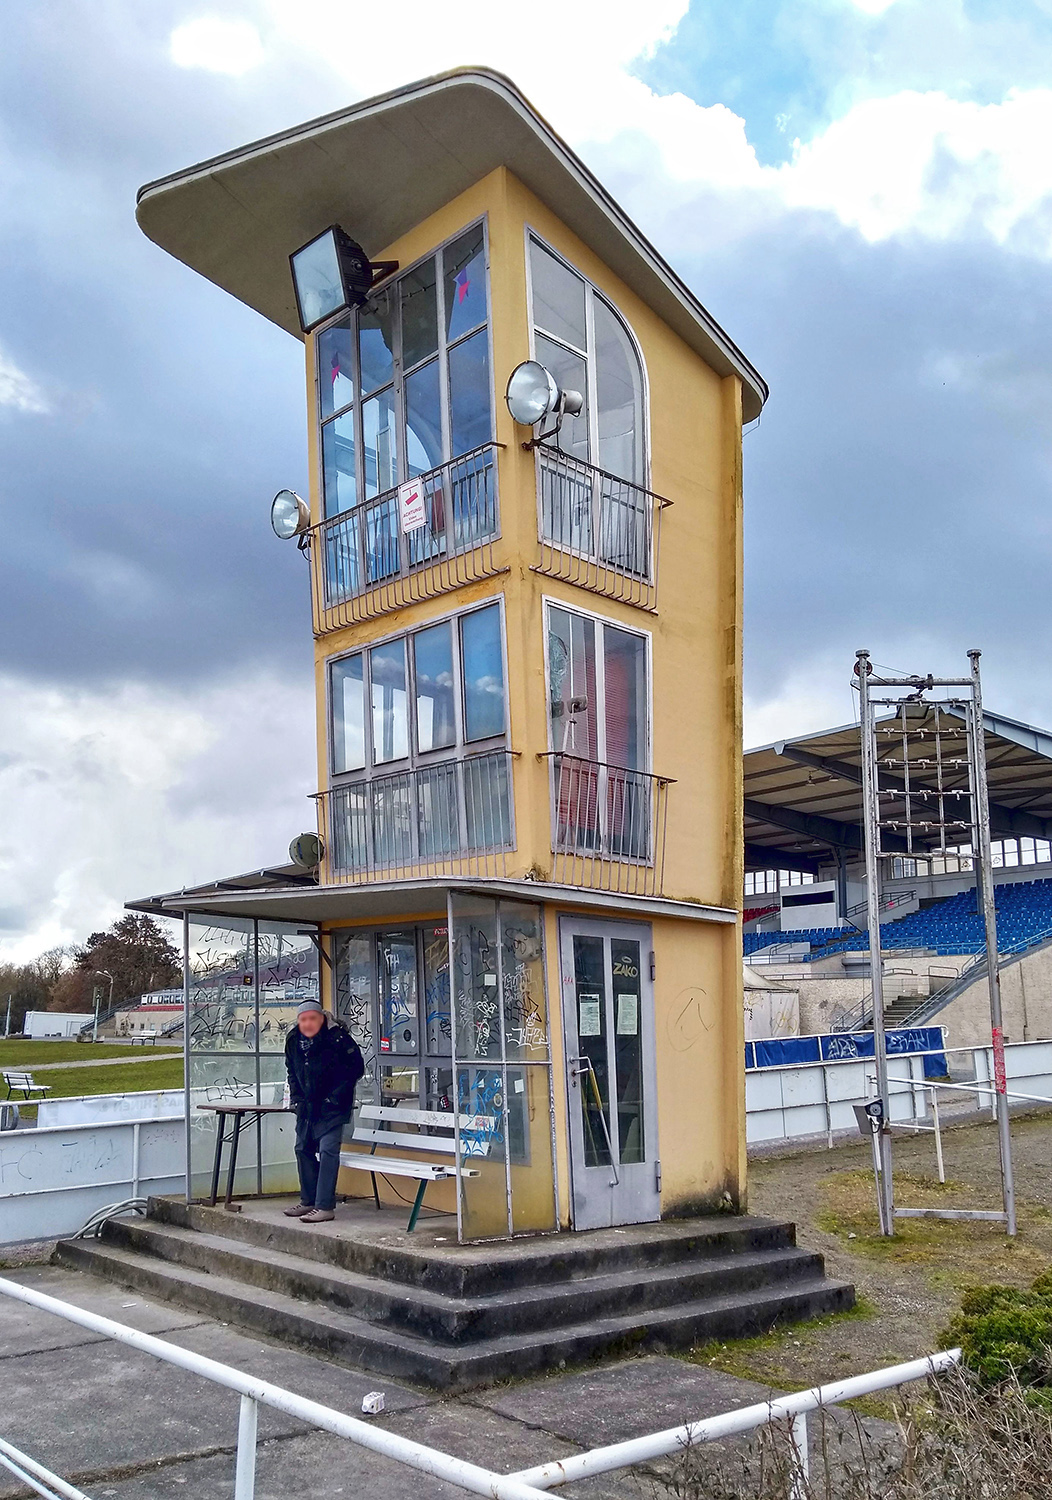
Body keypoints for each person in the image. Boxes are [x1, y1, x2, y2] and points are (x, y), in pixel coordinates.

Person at [283, 998, 364, 1223]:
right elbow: (291, 1070)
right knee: (302, 1149)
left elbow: (355, 1069)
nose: (308, 1024)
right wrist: (297, 1098)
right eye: (303, 1020)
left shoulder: (338, 1038)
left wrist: (334, 1098)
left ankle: (324, 1206)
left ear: (322, 1018)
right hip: (307, 1107)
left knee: (328, 1150)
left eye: (312, 1019)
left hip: (333, 1106)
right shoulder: (293, 1041)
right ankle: (307, 1201)